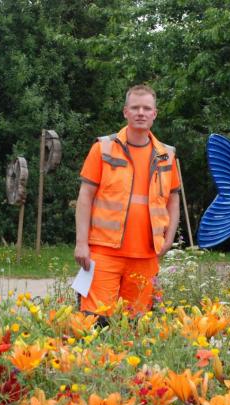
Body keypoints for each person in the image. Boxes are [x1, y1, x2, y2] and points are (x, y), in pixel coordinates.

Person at [75, 84, 181, 320]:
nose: (141, 113)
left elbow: (173, 199)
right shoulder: (103, 148)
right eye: (135, 108)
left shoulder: (165, 154)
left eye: (146, 108)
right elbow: (85, 197)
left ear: (155, 114)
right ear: (125, 112)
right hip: (104, 251)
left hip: (146, 256)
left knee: (136, 323)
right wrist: (81, 243)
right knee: (94, 321)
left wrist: (169, 238)